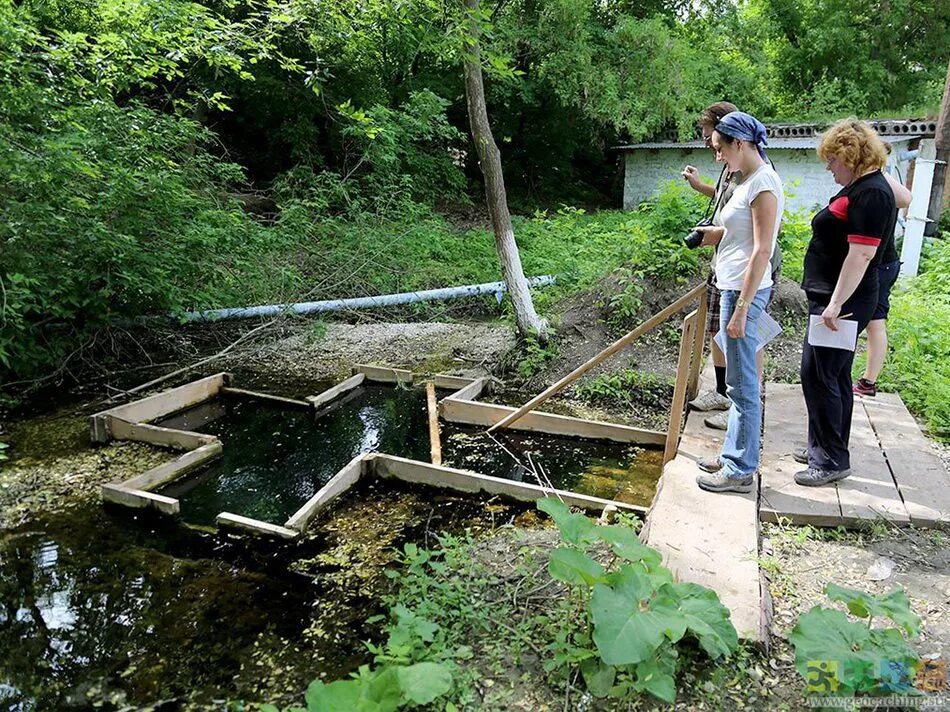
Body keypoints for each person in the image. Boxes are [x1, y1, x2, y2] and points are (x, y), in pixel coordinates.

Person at [795, 119, 897, 486]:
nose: (829, 167)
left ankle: (830, 459)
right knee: (831, 375)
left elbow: (861, 256)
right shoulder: (865, 187)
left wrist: (835, 304)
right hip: (834, 298)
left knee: (820, 375)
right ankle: (824, 446)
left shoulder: (871, 193)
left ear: (851, 156)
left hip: (843, 302)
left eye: (832, 160)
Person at [693, 111, 785, 493]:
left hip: (744, 293)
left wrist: (743, 309)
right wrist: (710, 235)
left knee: (744, 386)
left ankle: (740, 469)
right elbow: (738, 235)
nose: (719, 158)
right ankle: (733, 454)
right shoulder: (746, 180)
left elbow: (762, 250)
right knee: (735, 382)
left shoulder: (763, 183)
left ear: (740, 144)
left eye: (720, 149)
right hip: (731, 286)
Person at [853, 171, 912, 396]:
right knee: (872, 323)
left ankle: (868, 382)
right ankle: (867, 381)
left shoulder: (880, 181)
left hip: (880, 264)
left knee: (873, 323)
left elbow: (906, 199)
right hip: (879, 262)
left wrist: (880, 172)